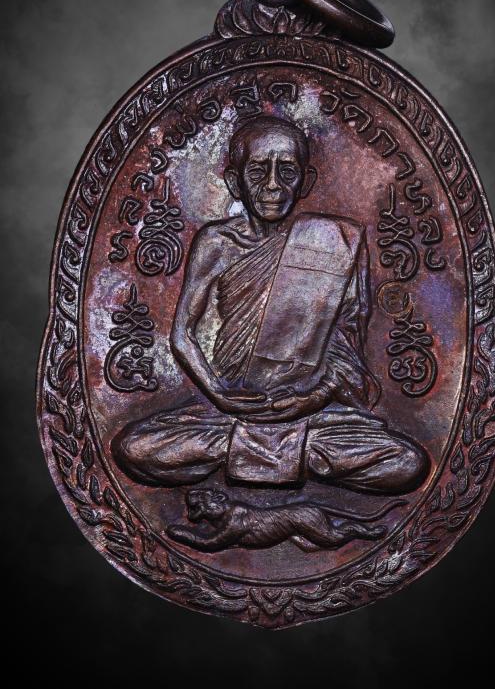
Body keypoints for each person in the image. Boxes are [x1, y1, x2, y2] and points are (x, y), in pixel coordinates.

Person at [112, 115, 429, 494]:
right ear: (235, 182)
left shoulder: (337, 241)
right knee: (134, 448)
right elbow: (182, 334)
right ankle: (287, 457)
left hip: (309, 415)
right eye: (259, 172)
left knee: (408, 463)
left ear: (305, 182)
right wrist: (219, 395)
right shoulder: (216, 243)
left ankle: (258, 454)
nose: (274, 185)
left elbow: (345, 348)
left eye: (287, 172)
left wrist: (312, 397)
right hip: (231, 411)